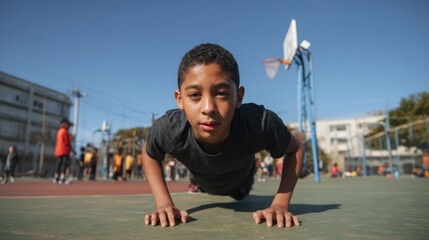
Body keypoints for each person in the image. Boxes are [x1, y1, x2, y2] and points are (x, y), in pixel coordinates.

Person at [143, 43, 303, 228]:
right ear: (180, 100)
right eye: (195, 95)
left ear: (239, 97)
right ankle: (197, 182)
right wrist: (164, 204)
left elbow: (296, 148)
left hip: (240, 186)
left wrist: (280, 204)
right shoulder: (169, 128)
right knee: (199, 179)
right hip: (202, 179)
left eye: (221, 93)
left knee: (240, 194)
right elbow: (149, 154)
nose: (209, 108)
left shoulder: (259, 123)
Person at [54, 118, 73, 184]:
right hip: (64, 149)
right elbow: (67, 142)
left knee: (59, 163)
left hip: (58, 149)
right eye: (68, 125)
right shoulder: (65, 131)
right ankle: (62, 178)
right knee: (65, 163)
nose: (69, 126)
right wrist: (71, 149)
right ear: (64, 124)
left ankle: (56, 177)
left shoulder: (59, 131)